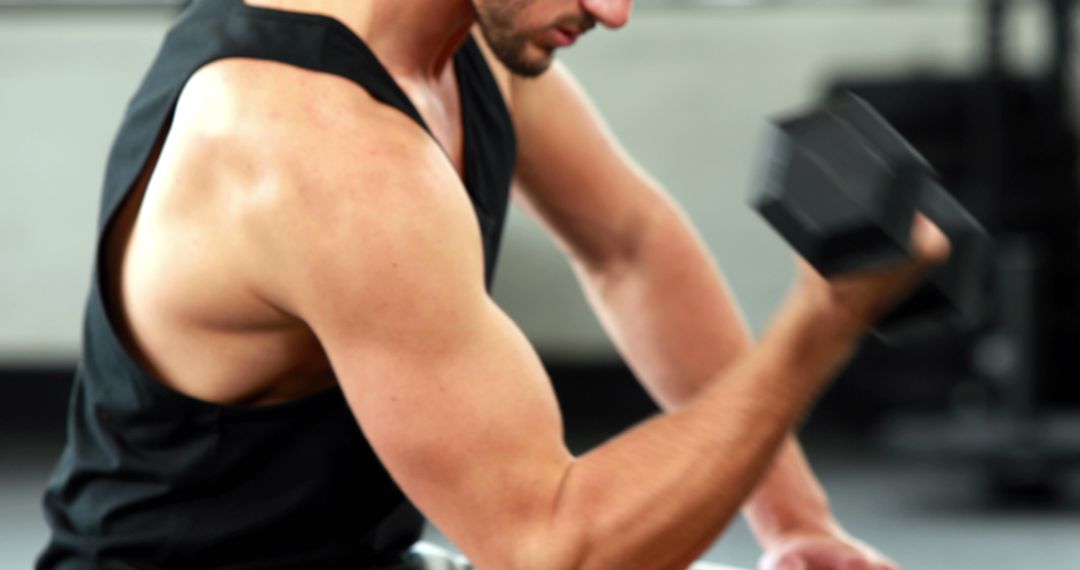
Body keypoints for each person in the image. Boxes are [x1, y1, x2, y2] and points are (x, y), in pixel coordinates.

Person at [39, 0, 949, 568]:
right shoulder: (316, 147)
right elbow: (551, 549)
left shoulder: (456, 46)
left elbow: (629, 244)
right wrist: (821, 324)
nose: (615, 9)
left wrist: (794, 522)